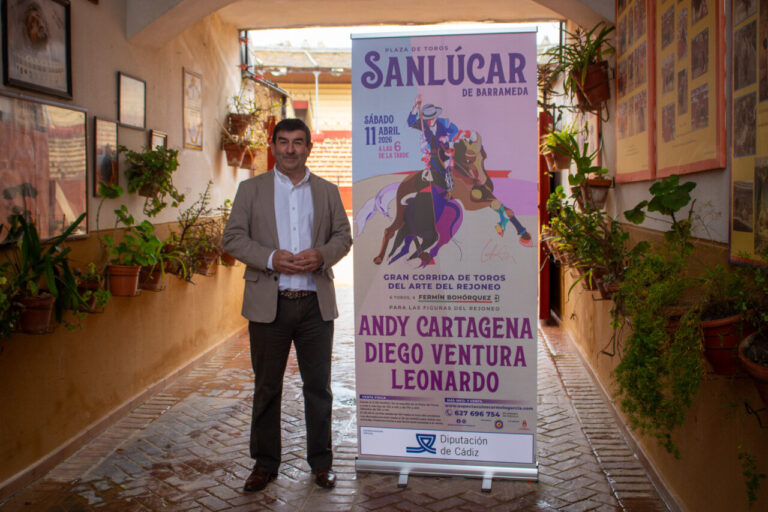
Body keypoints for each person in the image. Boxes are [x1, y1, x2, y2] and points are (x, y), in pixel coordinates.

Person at [222, 118, 352, 492]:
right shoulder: (251, 190)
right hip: (269, 304)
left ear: (309, 147)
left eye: (298, 142)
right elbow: (233, 238)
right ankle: (264, 465)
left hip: (314, 306)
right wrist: (270, 257)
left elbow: (343, 236)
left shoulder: (327, 191)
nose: (290, 149)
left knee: (319, 388)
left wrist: (323, 255)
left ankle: (322, 464)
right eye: (283, 142)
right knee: (267, 387)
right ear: (273, 146)